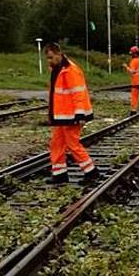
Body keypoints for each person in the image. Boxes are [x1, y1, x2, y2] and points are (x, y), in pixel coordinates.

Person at [44, 42, 97, 185]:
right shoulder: (58, 70)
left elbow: (78, 93)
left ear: (58, 54)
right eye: (47, 58)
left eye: (51, 57)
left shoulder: (70, 70)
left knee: (72, 144)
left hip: (72, 116)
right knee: (56, 144)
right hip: (63, 116)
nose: (49, 61)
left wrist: (80, 115)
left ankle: (91, 171)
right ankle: (60, 174)